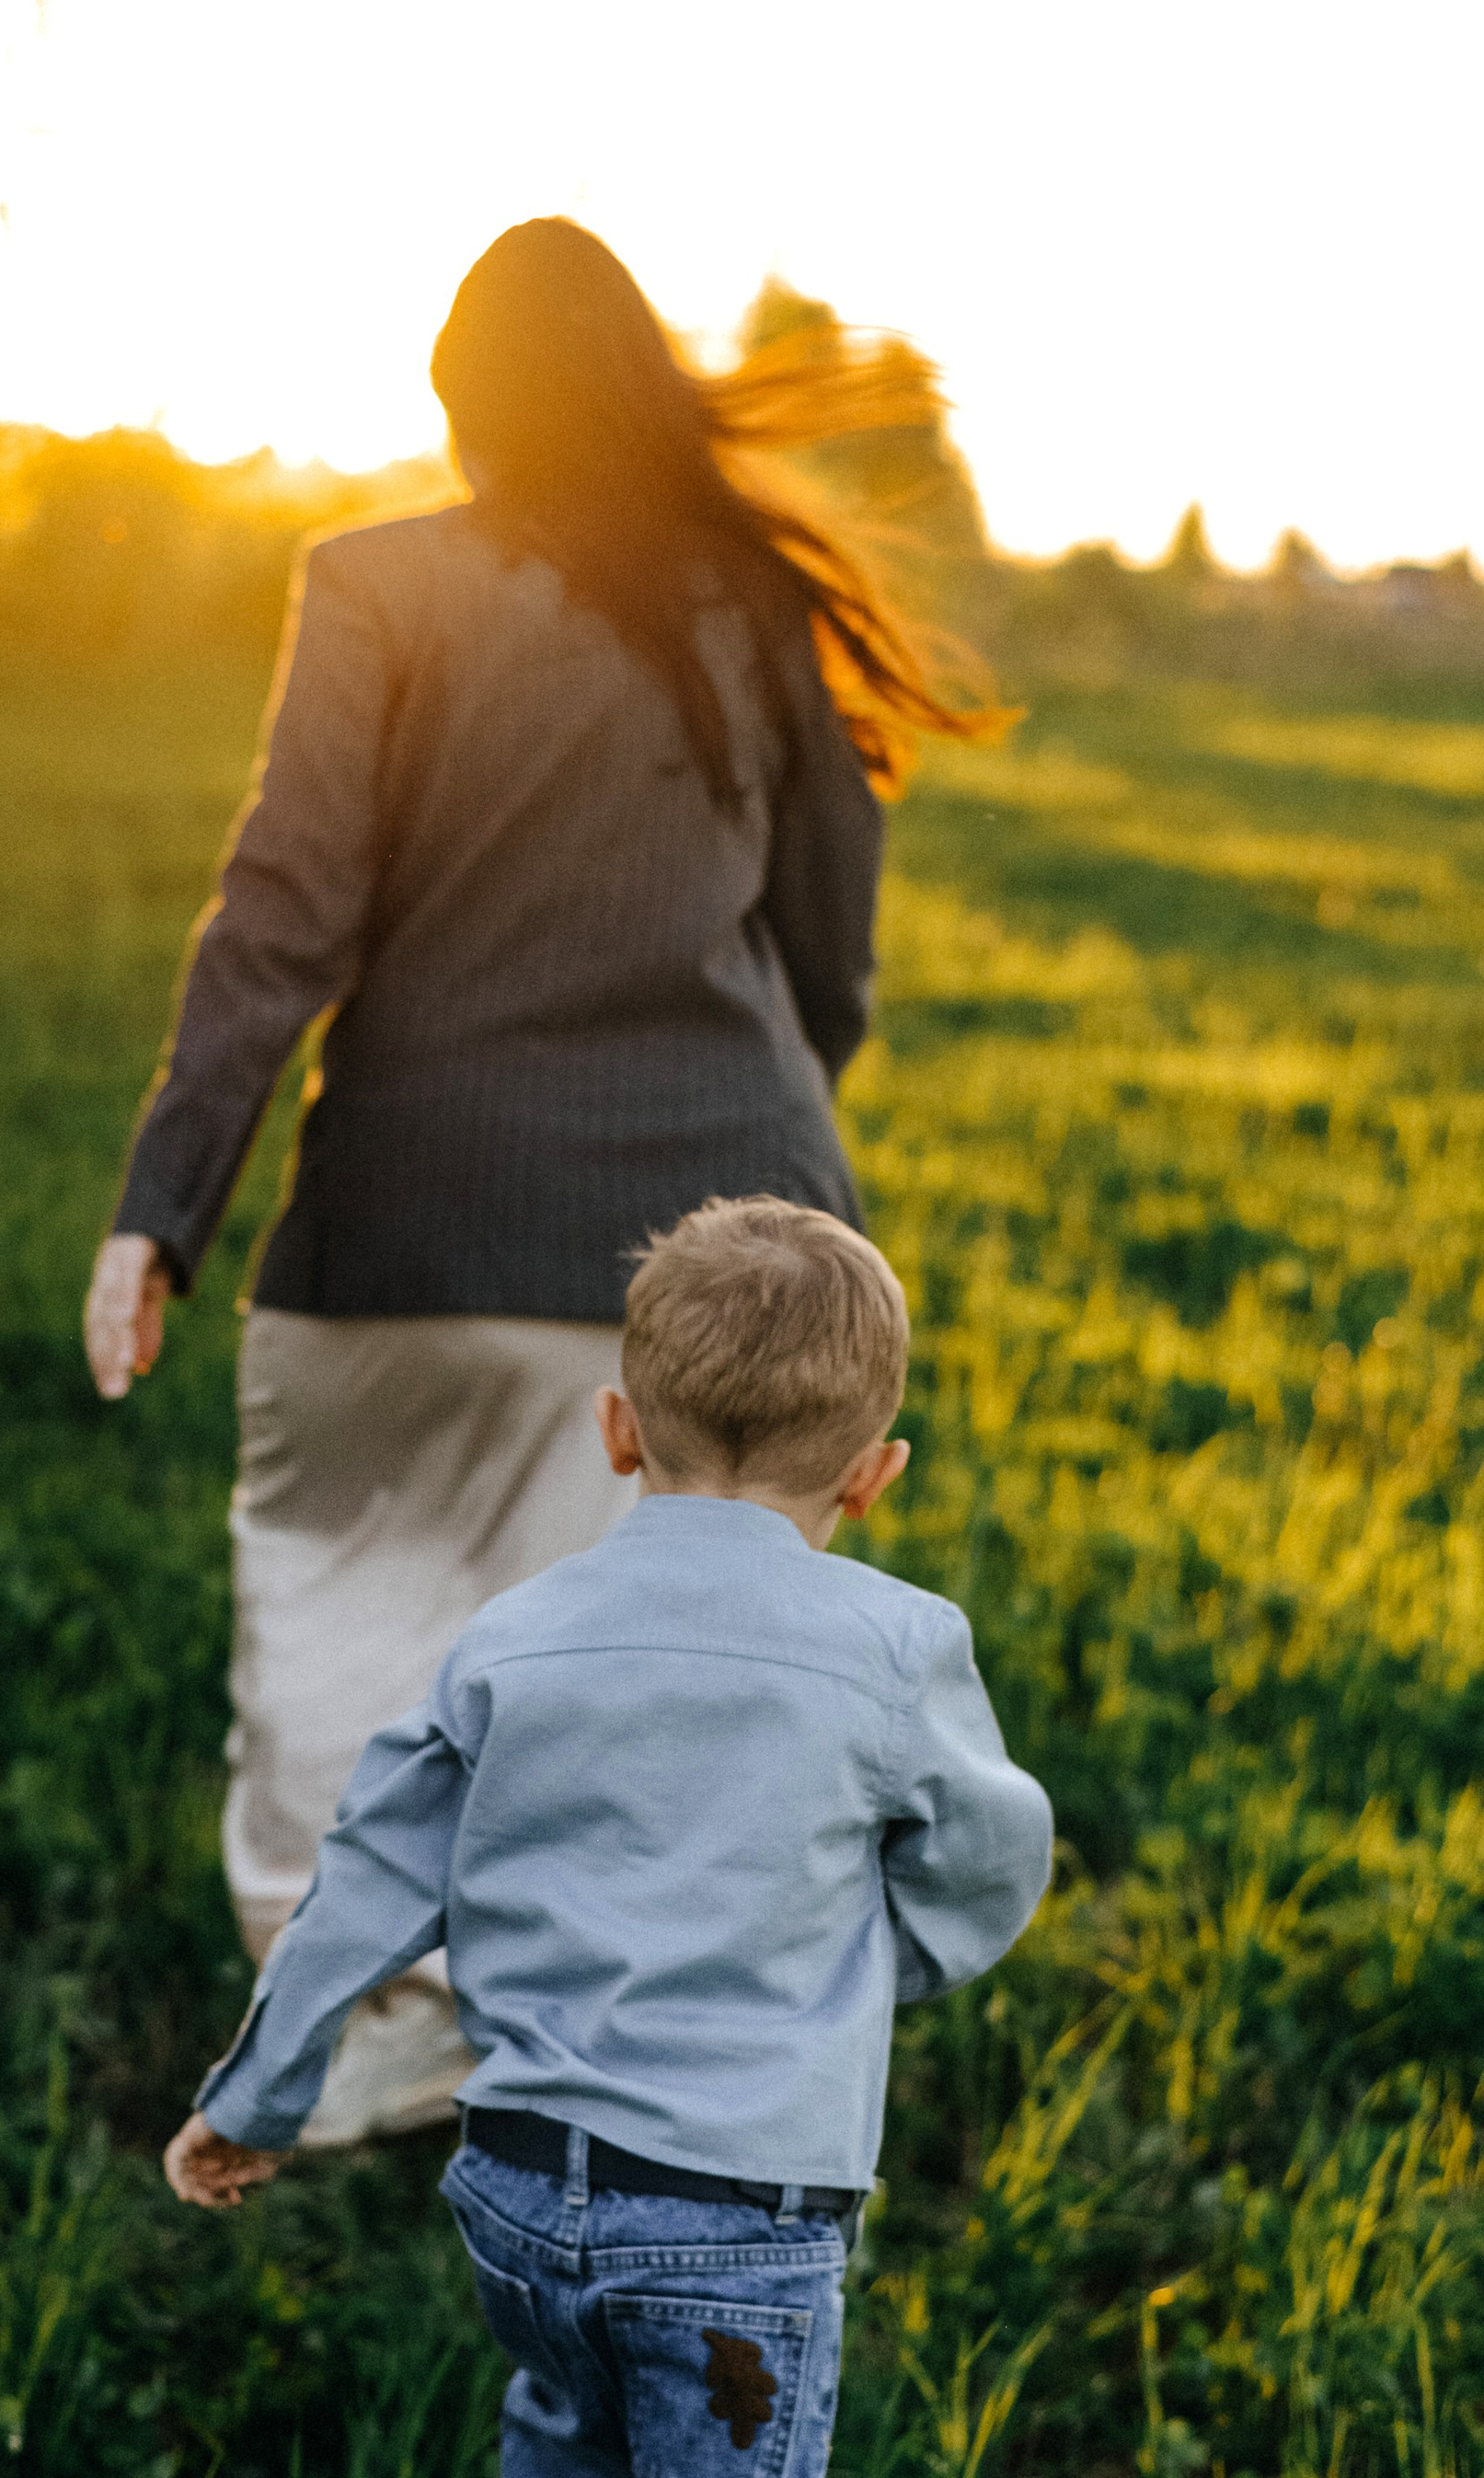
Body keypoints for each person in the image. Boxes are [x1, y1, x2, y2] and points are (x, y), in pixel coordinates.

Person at [84, 217, 997, 2144]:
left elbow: (280, 922)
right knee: (688, 1689)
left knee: (344, 1616)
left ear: (460, 411)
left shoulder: (376, 585)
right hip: (723, 1262)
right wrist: (759, 1168)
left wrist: (159, 1208)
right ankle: (658, 2057)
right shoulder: (759, 608)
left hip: (402, 1231)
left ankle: (365, 2047)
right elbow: (825, 964)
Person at [162, 1195, 1054, 2478]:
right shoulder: (895, 1647)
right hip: (734, 2234)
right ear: (877, 1474)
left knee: (573, 2457)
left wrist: (262, 2095)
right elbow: (994, 1857)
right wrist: (878, 1970)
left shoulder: (512, 1640)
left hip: (519, 2195)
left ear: (616, 1429)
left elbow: (361, 1879)